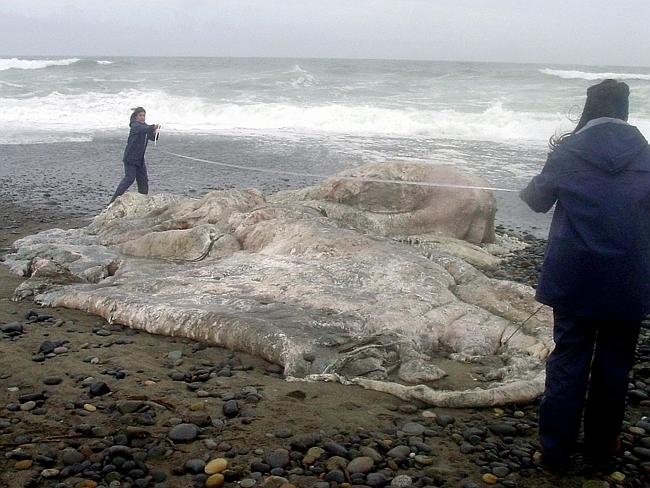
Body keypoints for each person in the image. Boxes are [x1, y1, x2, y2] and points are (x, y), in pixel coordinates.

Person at [520, 79, 650, 474]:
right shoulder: (646, 153)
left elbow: (536, 200)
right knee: (615, 365)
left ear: (588, 109)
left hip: (575, 275)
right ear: (626, 110)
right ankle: (599, 452)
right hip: (628, 278)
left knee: (569, 360)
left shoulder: (569, 150)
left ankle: (555, 452)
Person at [110, 107, 159, 203]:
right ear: (136, 117)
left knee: (143, 182)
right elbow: (143, 129)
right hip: (130, 158)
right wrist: (152, 127)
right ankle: (113, 200)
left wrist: (156, 131)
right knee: (129, 179)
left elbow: (153, 138)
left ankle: (143, 201)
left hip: (140, 160)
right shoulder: (135, 126)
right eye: (140, 115)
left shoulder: (145, 126)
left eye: (144, 115)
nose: (142, 117)